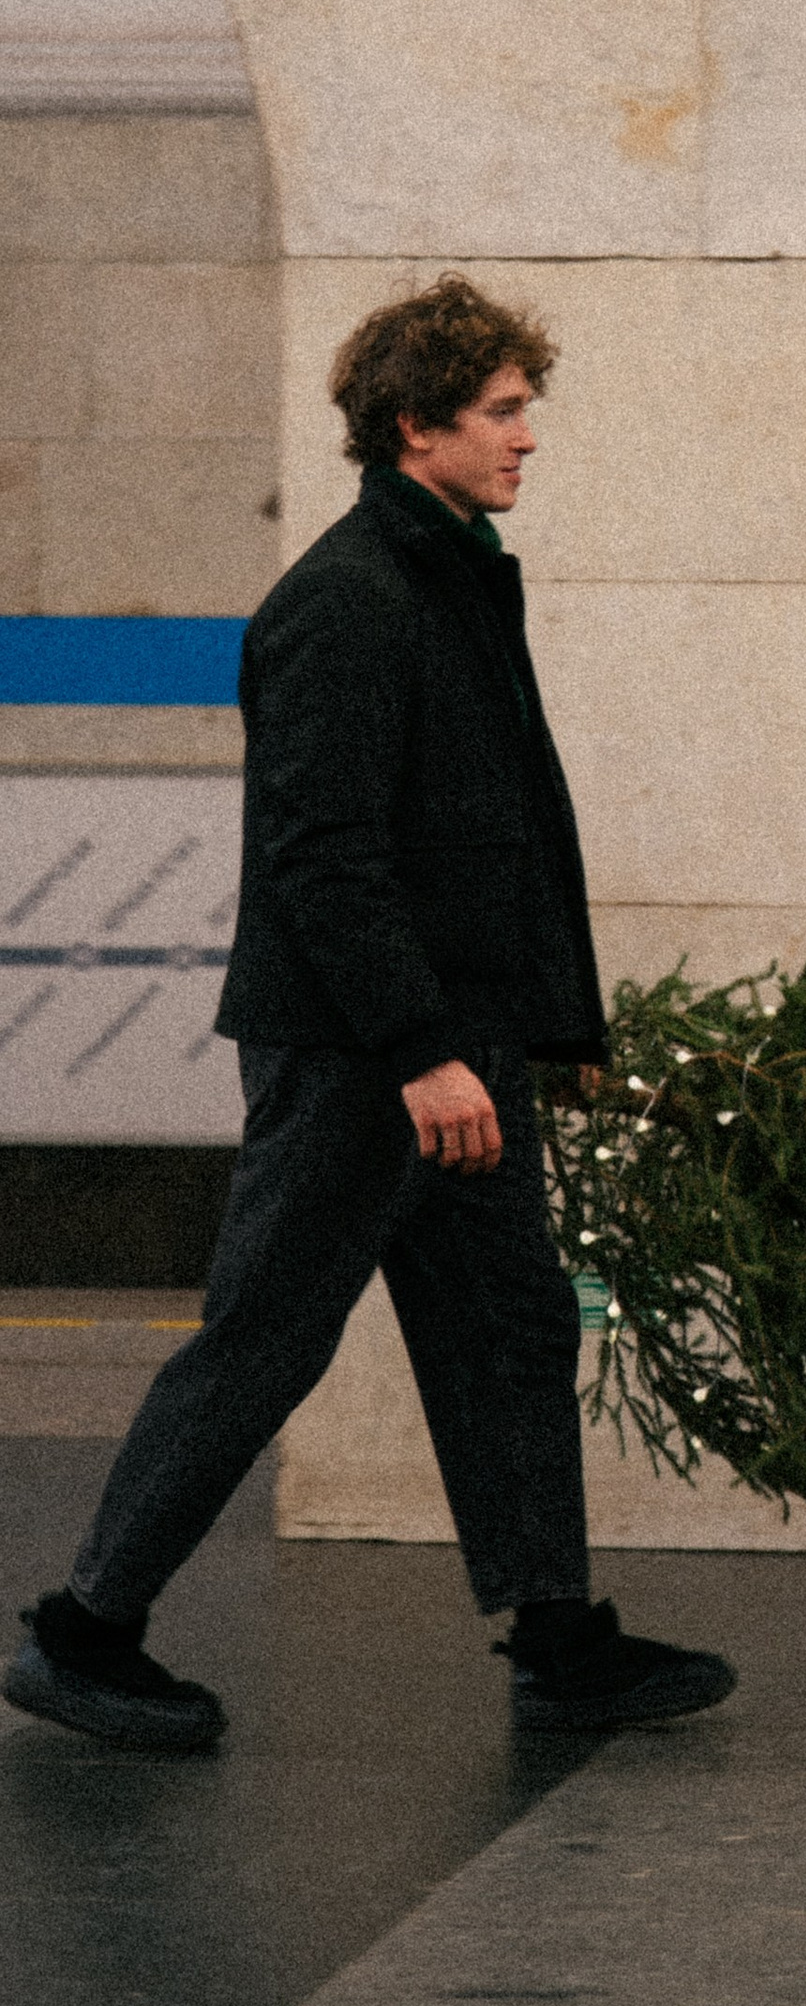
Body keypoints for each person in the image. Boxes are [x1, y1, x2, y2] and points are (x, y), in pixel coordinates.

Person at [5, 278, 736, 1756]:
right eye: (505, 412)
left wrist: (551, 1026)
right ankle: (83, 1633)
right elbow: (324, 858)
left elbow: (502, 825)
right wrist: (422, 1054)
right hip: (367, 1056)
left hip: (457, 1044)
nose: (532, 439)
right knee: (268, 1337)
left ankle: (556, 1632)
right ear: (419, 427)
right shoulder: (346, 601)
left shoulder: (455, 574)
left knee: (509, 1325)